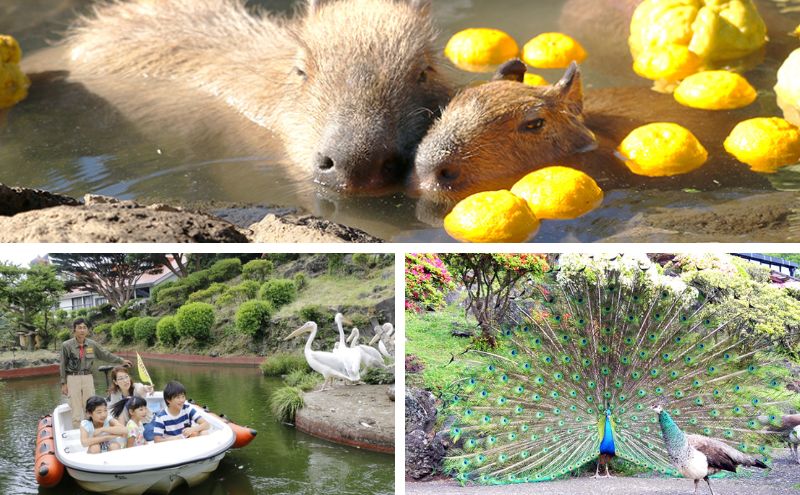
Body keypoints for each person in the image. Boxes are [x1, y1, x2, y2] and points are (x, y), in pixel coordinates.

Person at [60, 318, 133, 428]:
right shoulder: (66, 345)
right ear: (74, 329)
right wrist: (63, 383)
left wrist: (121, 360)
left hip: (88, 377)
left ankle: (92, 431)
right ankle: (78, 434)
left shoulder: (92, 344)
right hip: (72, 378)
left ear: (88, 330)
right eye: (79, 328)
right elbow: (62, 365)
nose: (82, 330)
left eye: (84, 328)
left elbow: (105, 354)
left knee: (91, 406)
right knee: (75, 409)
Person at [107, 366, 155, 439]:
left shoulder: (136, 387)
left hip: (144, 421)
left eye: (126, 377)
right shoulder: (115, 394)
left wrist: (146, 388)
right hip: (128, 424)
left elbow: (141, 388)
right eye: (121, 379)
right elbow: (114, 412)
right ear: (115, 382)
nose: (125, 380)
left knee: (148, 436)